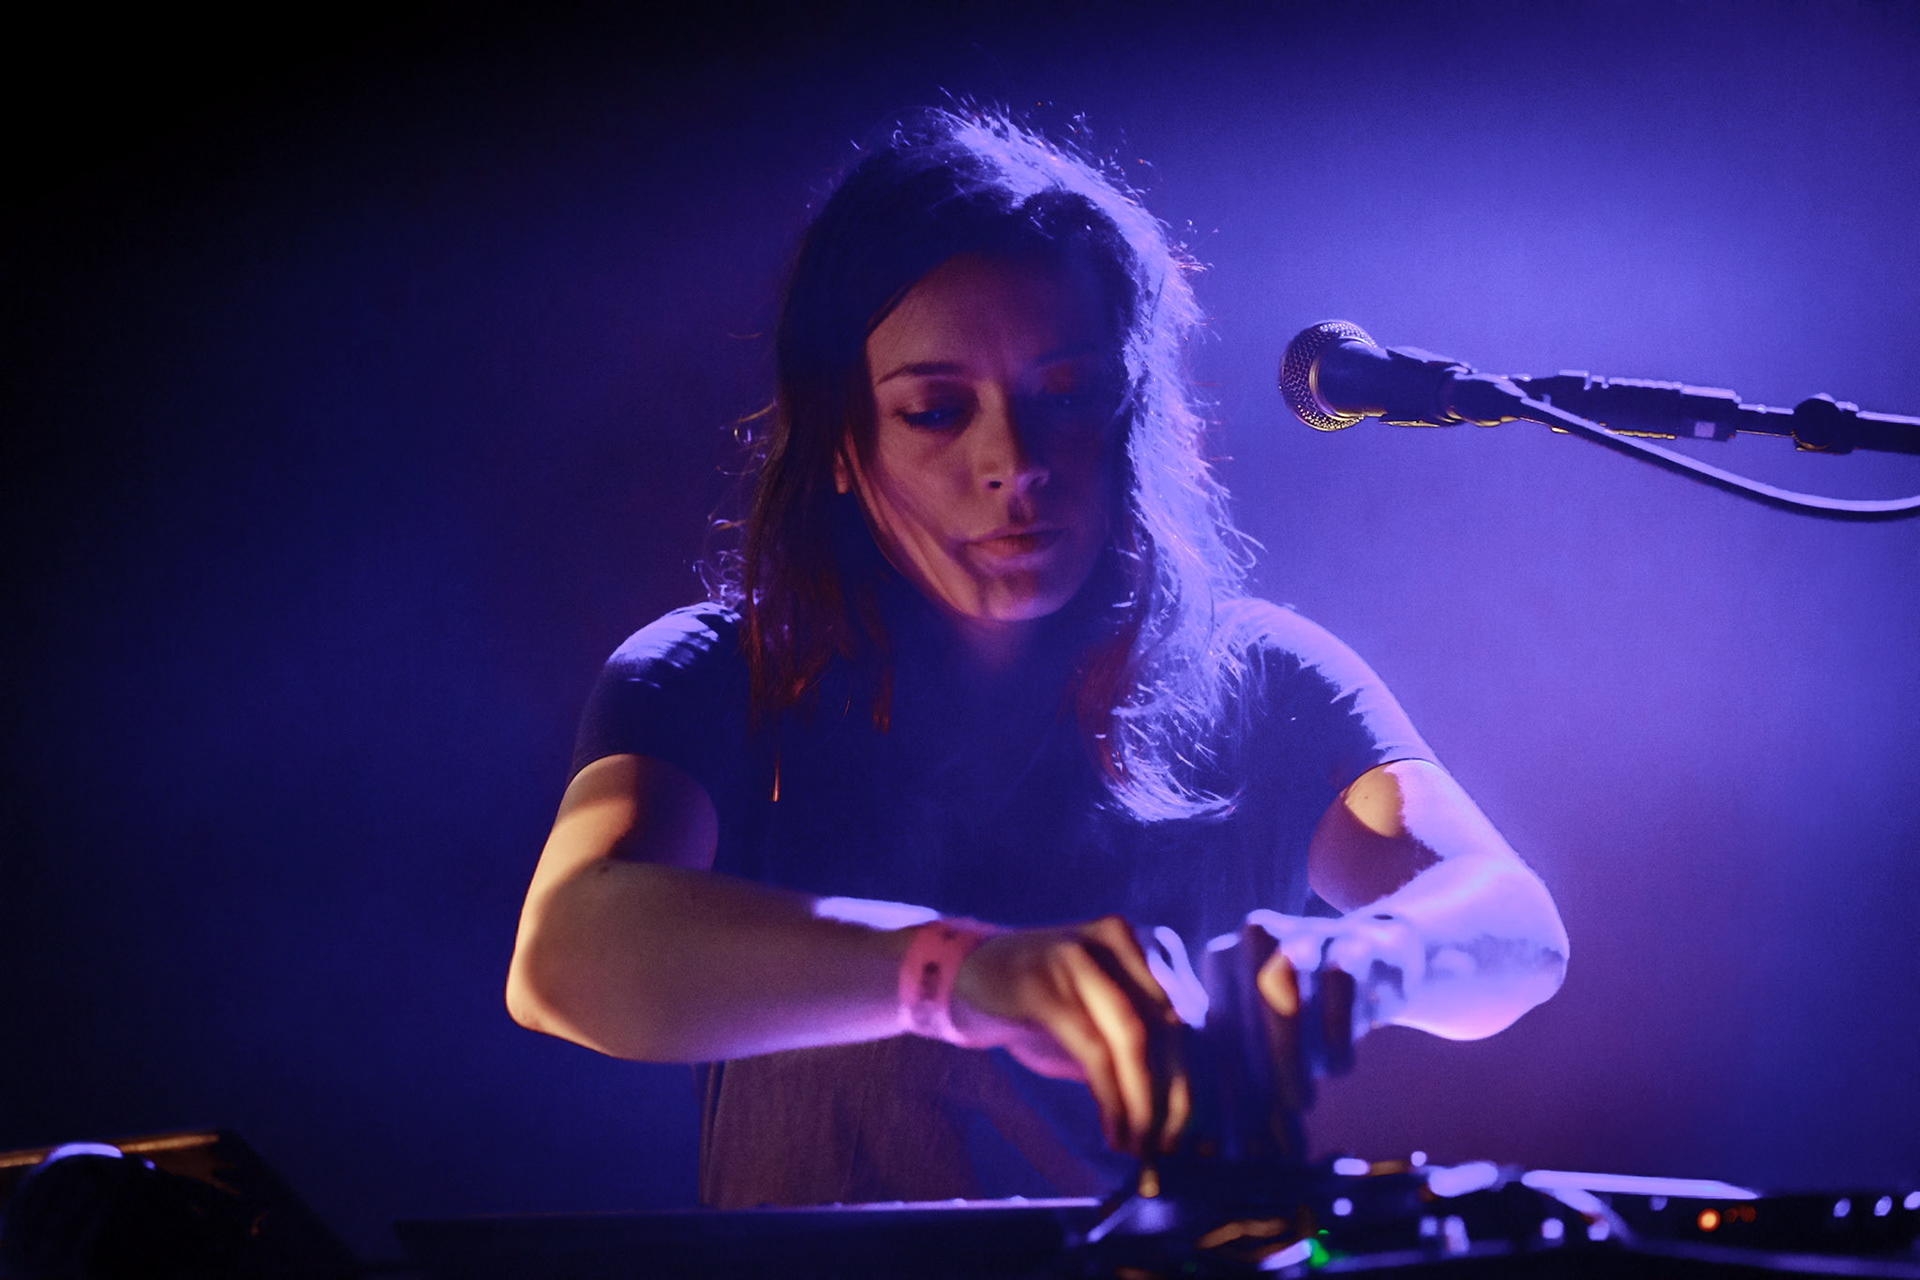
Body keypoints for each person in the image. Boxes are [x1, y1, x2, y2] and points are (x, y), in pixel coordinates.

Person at [505, 108, 1569, 1209]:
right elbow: (569, 946)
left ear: (1132, 413)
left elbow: (1514, 924)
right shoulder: (715, 671)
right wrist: (955, 975)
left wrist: (1361, 959)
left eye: (1067, 394)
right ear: (838, 441)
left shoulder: (1266, 676)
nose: (1013, 461)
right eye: (935, 410)